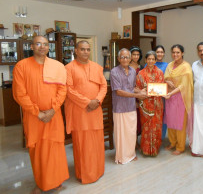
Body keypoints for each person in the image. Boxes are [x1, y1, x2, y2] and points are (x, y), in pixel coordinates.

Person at [12, 36, 69, 194]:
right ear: (32, 46)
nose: (42, 47)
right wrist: (37, 113)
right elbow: (19, 94)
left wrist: (53, 109)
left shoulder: (57, 66)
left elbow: (62, 90)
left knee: (55, 149)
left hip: (54, 114)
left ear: (49, 47)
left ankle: (56, 181)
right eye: (38, 44)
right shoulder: (21, 66)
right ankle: (42, 183)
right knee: (37, 151)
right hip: (33, 116)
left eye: (45, 44)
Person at [65, 40, 107, 184]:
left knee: (97, 143)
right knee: (82, 144)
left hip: (95, 110)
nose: (85, 52)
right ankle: (84, 173)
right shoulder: (68, 68)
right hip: (80, 112)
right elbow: (68, 90)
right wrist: (87, 102)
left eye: (88, 49)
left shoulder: (96, 67)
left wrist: (97, 100)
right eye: (82, 49)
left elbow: (103, 86)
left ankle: (98, 170)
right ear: (76, 51)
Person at [110, 48, 147, 164]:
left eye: (127, 57)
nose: (125, 59)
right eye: (122, 57)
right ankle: (122, 156)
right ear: (118, 59)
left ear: (130, 58)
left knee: (131, 132)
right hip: (120, 107)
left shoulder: (132, 71)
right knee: (121, 133)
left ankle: (131, 154)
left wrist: (141, 91)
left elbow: (132, 87)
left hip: (131, 106)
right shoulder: (114, 72)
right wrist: (136, 95)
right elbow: (119, 92)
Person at [164, 44, 193, 155]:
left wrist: (171, 92)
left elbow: (183, 86)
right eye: (173, 52)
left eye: (178, 52)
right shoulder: (170, 65)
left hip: (181, 98)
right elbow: (166, 76)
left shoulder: (186, 67)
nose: (175, 54)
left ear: (182, 53)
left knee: (180, 122)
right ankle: (172, 142)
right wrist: (167, 81)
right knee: (170, 121)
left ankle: (180, 147)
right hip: (170, 98)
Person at [136, 51, 164, 156]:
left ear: (156, 60)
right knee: (146, 126)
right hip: (145, 104)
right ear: (145, 60)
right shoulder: (141, 73)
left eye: (153, 59)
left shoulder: (160, 73)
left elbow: (160, 89)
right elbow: (138, 88)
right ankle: (146, 149)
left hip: (157, 104)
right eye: (149, 59)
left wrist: (147, 89)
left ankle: (155, 149)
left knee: (156, 126)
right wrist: (147, 90)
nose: (151, 61)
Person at [129, 46, 144, 143]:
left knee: (139, 120)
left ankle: (136, 142)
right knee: (131, 120)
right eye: (134, 54)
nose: (136, 56)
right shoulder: (126, 67)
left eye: (138, 54)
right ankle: (131, 143)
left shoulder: (142, 67)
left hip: (140, 96)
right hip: (130, 96)